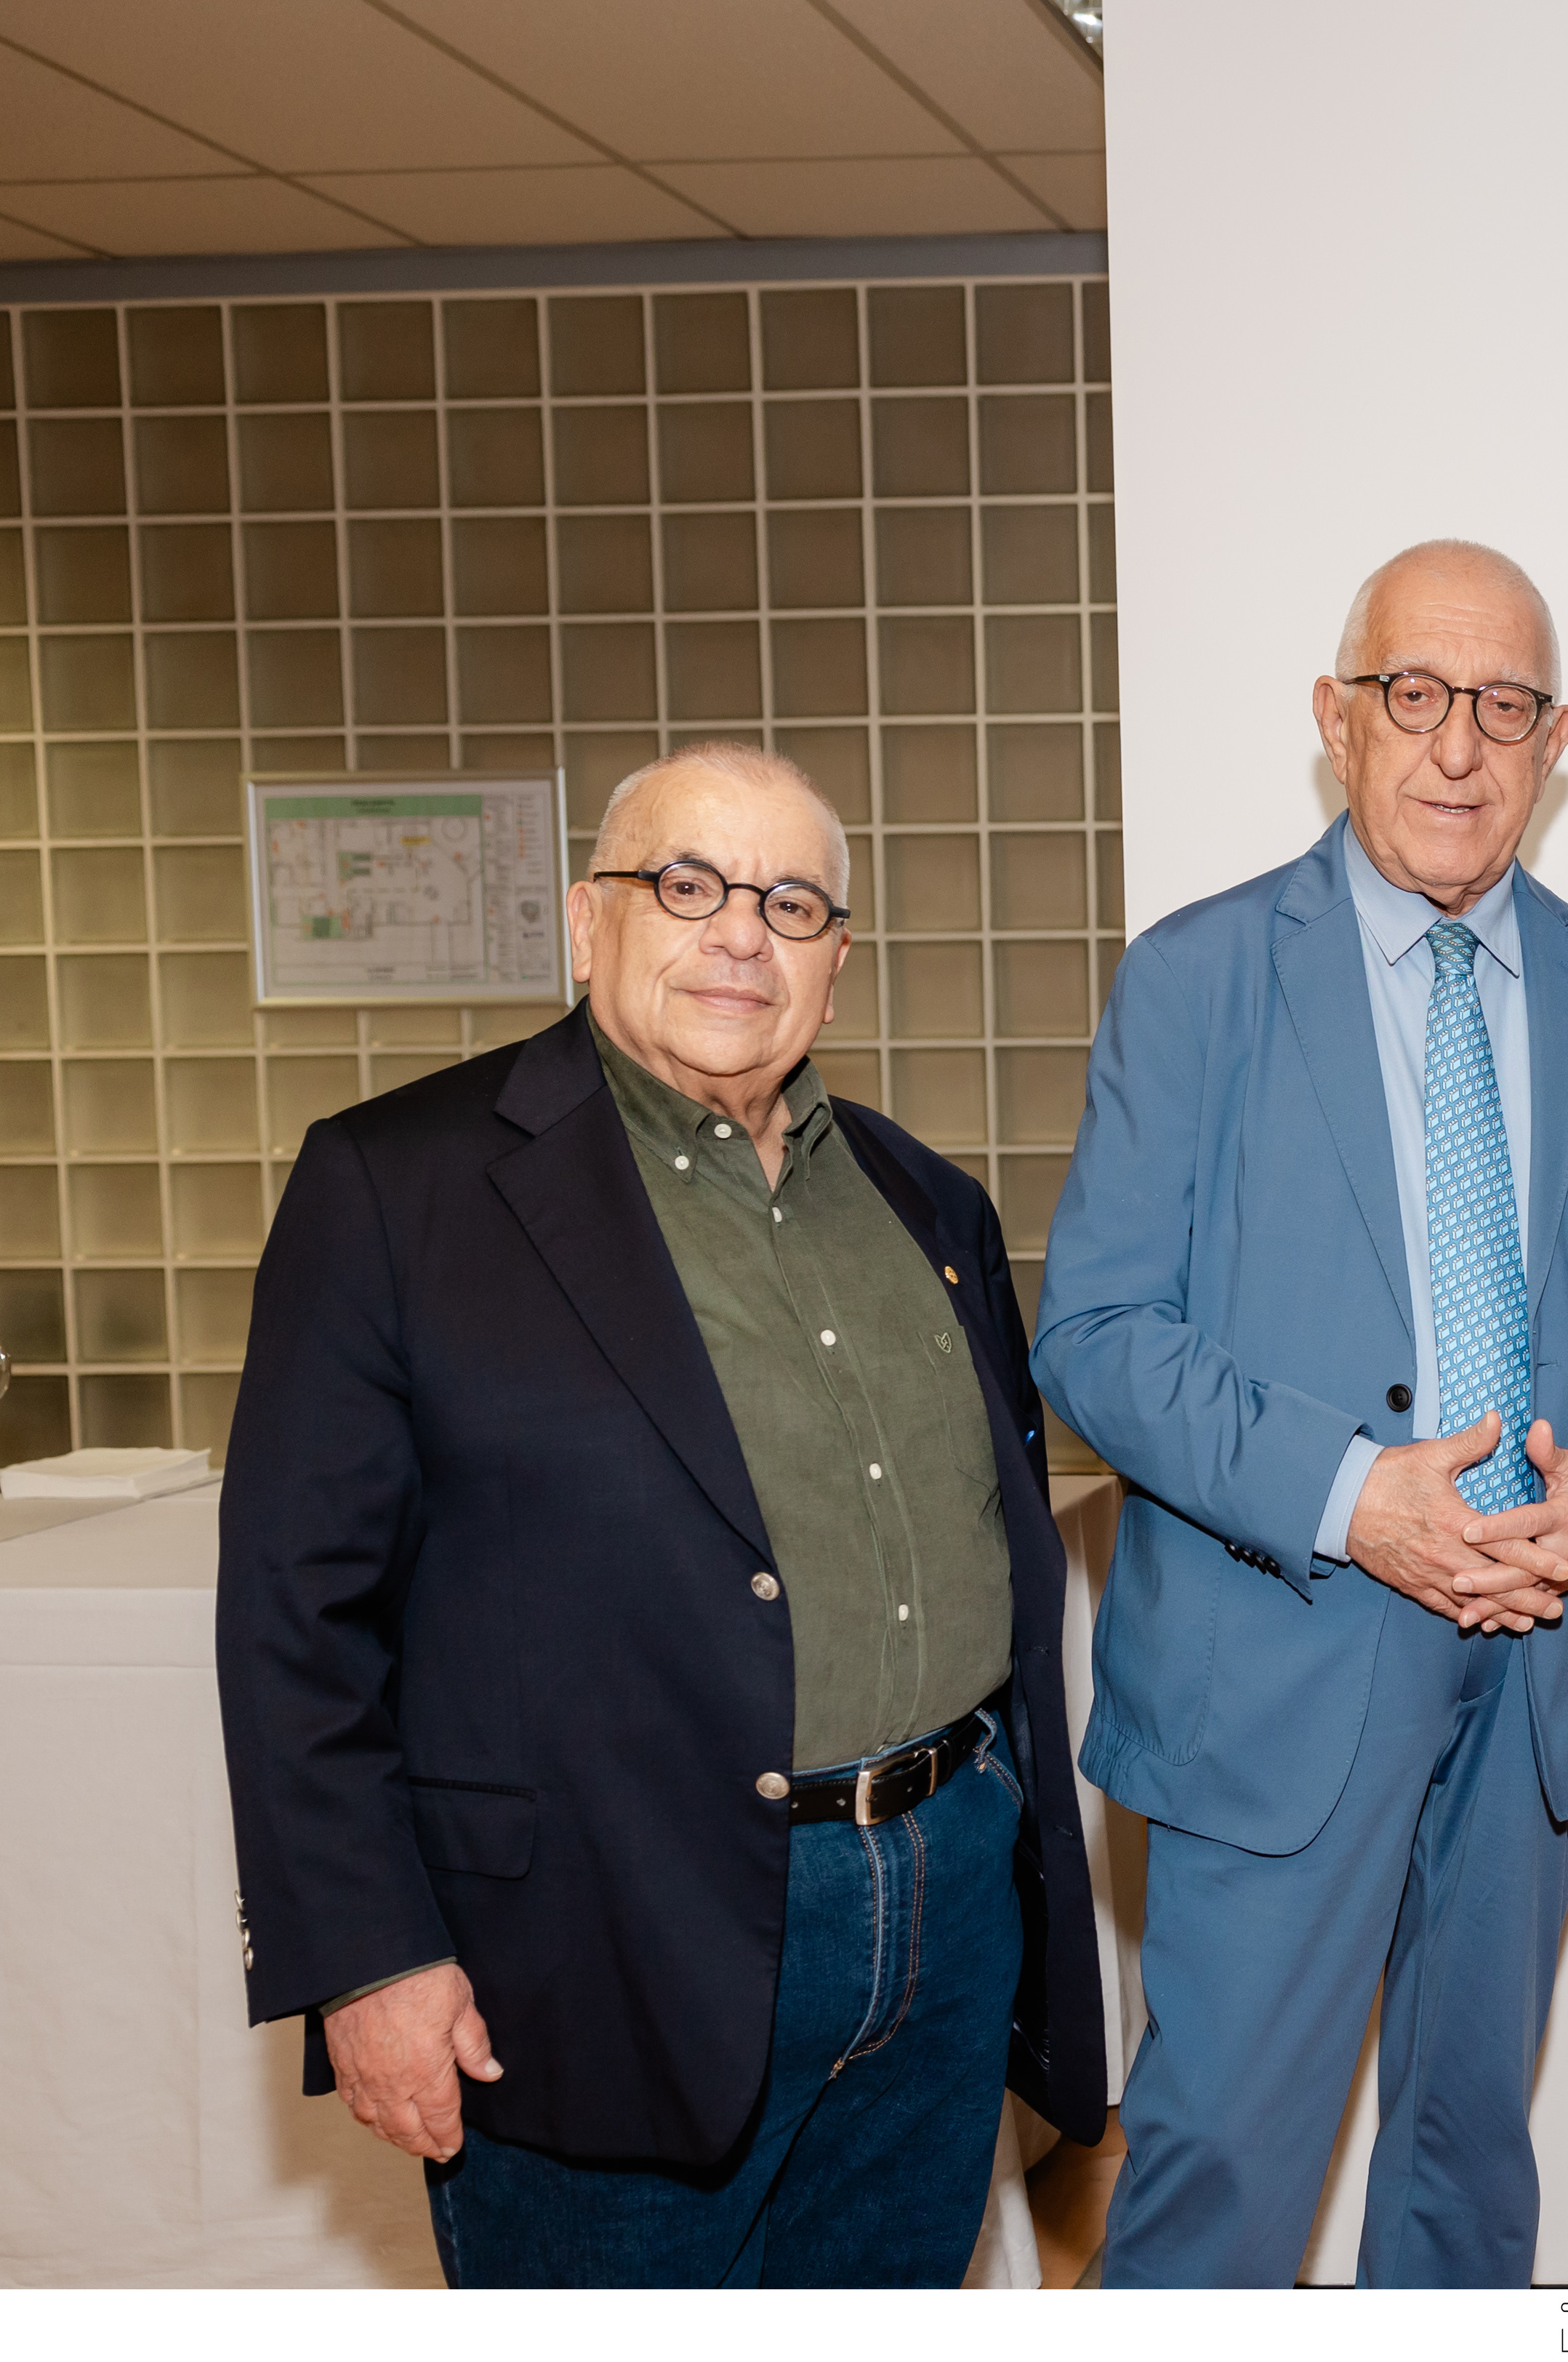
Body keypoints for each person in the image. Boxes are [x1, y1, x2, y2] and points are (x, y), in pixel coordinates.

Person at [214, 742, 1105, 2286]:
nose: (741, 934)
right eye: (688, 885)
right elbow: (298, 1618)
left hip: (945, 1915)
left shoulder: (926, 1199)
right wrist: (366, 1955)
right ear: (589, 920)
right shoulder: (398, 1186)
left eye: (791, 902)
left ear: (836, 961)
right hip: (604, 1947)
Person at [1035, 539, 1568, 2287]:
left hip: (1542, 1662)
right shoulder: (1198, 978)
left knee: (1465, 2167)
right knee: (1222, 2166)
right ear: (1336, 716)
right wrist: (1353, 1493)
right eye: (1414, 693)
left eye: (1502, 706)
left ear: (1555, 740)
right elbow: (1098, 1333)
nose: (1455, 746)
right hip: (1280, 1662)